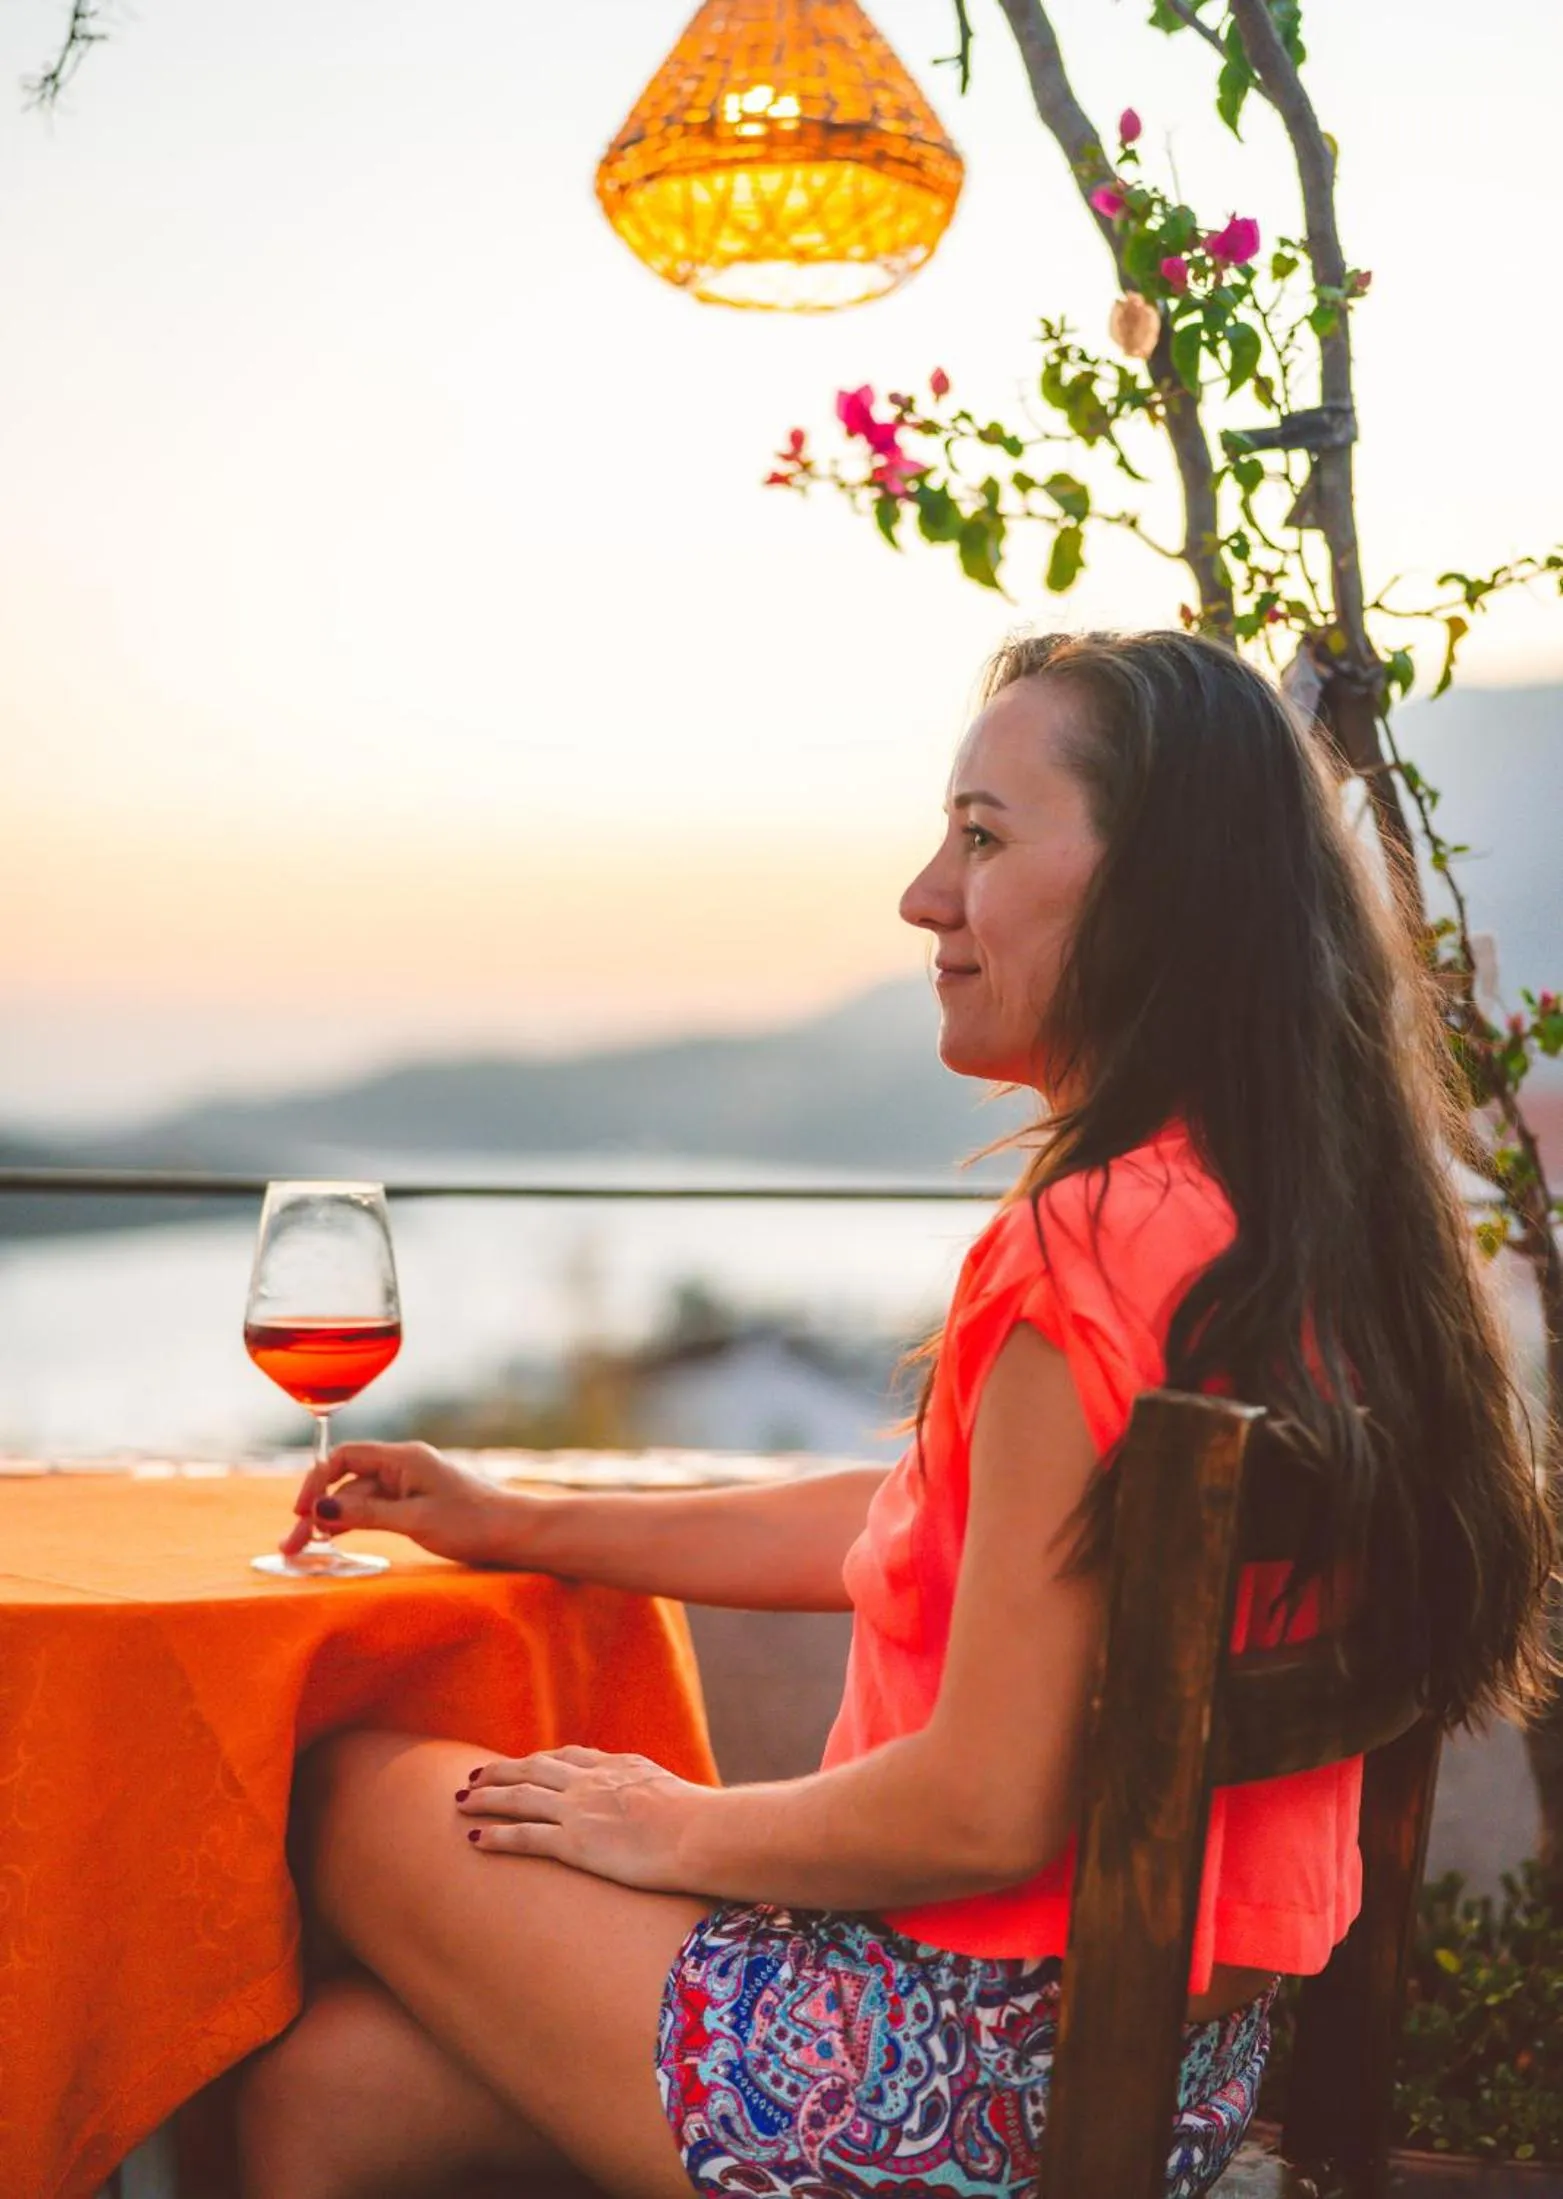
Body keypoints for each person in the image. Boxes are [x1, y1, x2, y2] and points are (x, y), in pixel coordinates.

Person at [237, 631, 1555, 2199]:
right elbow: (929, 1526)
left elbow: (980, 1806)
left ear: (1159, 892)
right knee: (332, 2088)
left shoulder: (1085, 1243)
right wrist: (519, 1516)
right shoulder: (1282, 1221)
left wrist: (674, 1827)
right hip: (1172, 2073)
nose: (925, 894)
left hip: (966, 2070)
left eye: (982, 836)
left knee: (332, 1781)